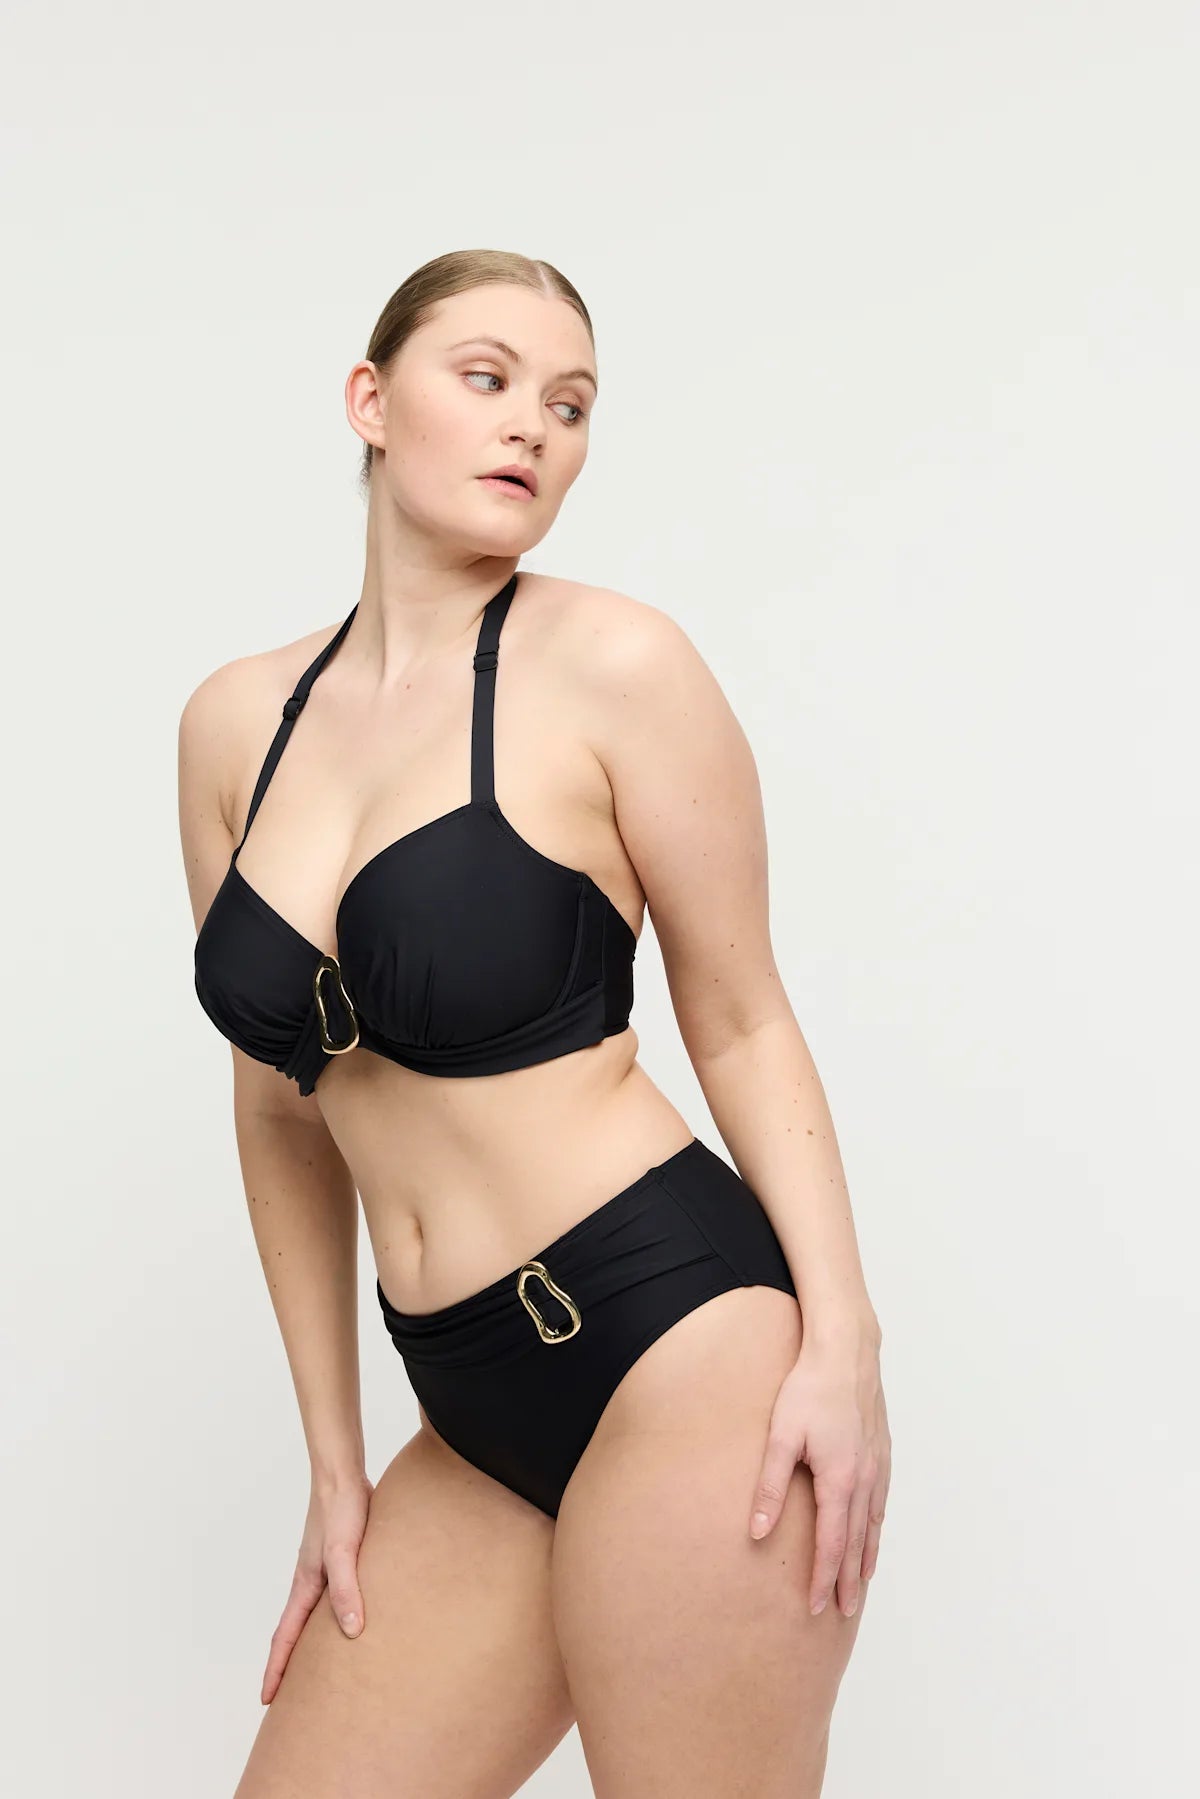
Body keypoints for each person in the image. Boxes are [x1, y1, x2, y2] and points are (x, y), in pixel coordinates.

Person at [178, 247, 891, 1798]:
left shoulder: (618, 667)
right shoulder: (236, 725)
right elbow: (277, 1108)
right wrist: (334, 1460)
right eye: (488, 379)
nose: (534, 428)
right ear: (371, 402)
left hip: (680, 1350)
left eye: (570, 405)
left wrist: (843, 1343)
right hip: (465, 1394)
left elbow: (742, 1020)